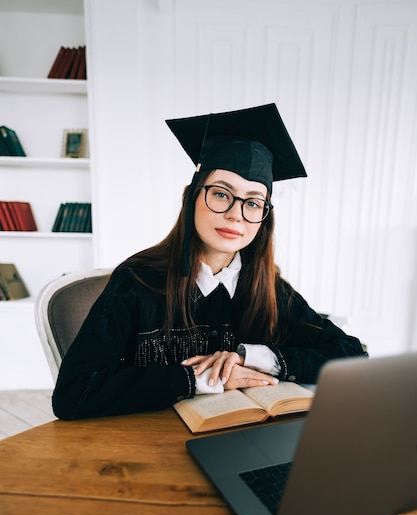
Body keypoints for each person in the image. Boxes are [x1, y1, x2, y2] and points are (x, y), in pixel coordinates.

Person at [52, 103, 367, 421]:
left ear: (263, 219)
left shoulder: (268, 288)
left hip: (241, 441)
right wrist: (200, 379)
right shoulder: (136, 281)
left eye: (253, 202)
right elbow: (74, 393)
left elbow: (351, 354)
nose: (235, 213)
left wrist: (252, 357)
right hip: (147, 446)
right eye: (220, 194)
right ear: (192, 197)